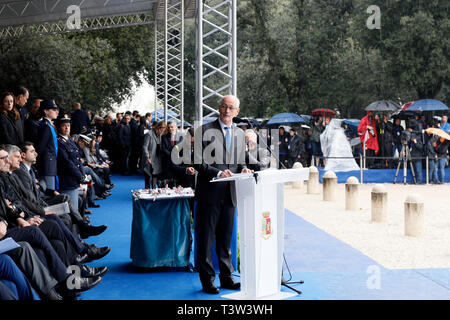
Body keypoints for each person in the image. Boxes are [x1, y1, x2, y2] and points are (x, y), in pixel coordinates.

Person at [193, 95, 251, 294]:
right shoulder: (204, 131)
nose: (227, 111)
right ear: (219, 108)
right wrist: (217, 173)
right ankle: (207, 280)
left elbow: (240, 161)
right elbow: (198, 162)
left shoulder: (239, 134)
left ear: (237, 112)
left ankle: (227, 278)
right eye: (224, 107)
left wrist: (243, 169)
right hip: (209, 193)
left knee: (226, 240)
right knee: (206, 239)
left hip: (230, 194)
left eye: (231, 108)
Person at [35, 99, 59, 194]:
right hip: (47, 165)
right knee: (50, 193)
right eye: (53, 109)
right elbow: (40, 148)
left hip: (50, 163)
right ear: (45, 111)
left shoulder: (49, 125)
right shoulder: (45, 126)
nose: (56, 111)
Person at [141, 121, 165, 189]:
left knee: (155, 176)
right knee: (148, 176)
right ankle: (147, 192)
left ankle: (154, 191)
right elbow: (144, 146)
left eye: (163, 131)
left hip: (157, 158)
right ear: (158, 128)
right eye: (161, 130)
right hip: (149, 158)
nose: (162, 132)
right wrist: (147, 156)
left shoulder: (160, 135)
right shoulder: (149, 134)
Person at [161, 121, 183, 186]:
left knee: (178, 181)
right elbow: (163, 148)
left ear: (176, 127)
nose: (170, 128)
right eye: (169, 127)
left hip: (178, 162)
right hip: (168, 162)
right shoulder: (164, 137)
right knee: (168, 181)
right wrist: (172, 155)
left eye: (172, 127)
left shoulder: (181, 136)